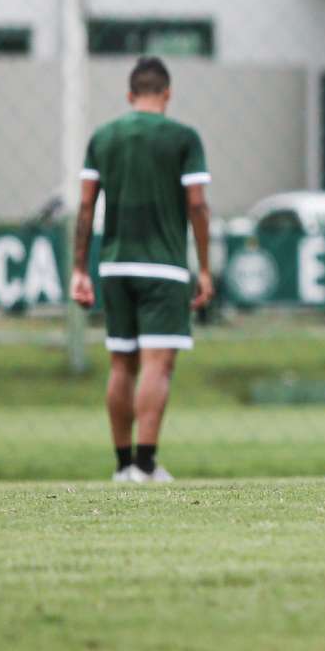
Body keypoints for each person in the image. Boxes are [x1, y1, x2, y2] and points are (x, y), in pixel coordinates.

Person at [70, 56, 214, 484]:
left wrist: (81, 268)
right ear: (167, 94)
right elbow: (197, 204)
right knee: (157, 364)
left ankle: (121, 465)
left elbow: (85, 204)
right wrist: (203, 268)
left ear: (130, 95)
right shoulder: (184, 139)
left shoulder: (104, 137)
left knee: (121, 364)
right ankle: (146, 465)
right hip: (164, 265)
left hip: (114, 264)